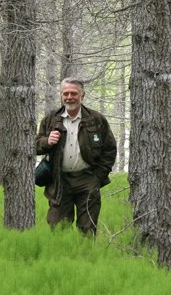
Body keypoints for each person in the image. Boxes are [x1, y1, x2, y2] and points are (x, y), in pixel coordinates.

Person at [35, 77, 117, 236]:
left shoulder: (96, 119)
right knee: (57, 227)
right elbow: (35, 145)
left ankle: (85, 258)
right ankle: (61, 259)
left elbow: (110, 149)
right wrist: (47, 141)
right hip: (59, 181)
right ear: (61, 95)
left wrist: (98, 177)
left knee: (87, 228)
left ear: (82, 95)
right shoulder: (51, 120)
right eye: (65, 93)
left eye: (74, 93)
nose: (69, 97)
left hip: (87, 179)